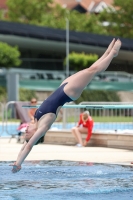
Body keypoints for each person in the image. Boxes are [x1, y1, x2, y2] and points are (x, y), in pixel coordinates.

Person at [11, 38, 122, 173]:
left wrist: (16, 158)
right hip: (69, 93)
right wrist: (18, 163)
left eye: (25, 132)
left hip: (63, 87)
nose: (26, 129)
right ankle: (112, 54)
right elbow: (28, 146)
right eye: (27, 134)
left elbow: (24, 146)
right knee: (93, 70)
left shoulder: (36, 119)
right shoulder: (43, 126)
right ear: (35, 135)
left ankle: (108, 52)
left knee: (90, 69)